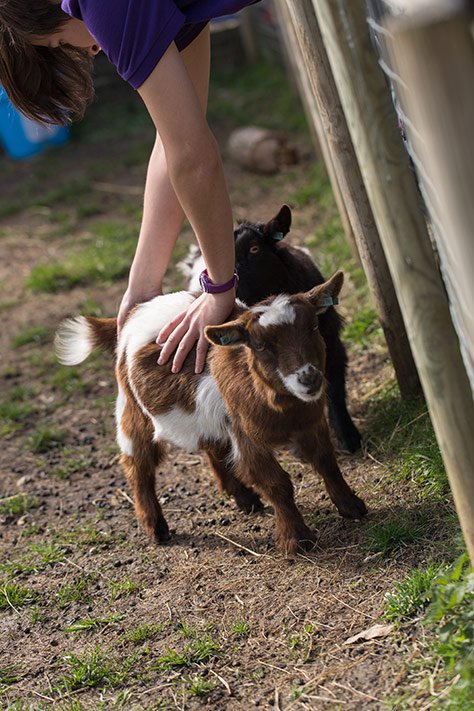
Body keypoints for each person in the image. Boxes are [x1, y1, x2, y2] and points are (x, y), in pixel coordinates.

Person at [0, 0, 260, 373]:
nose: (89, 52)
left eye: (59, 43)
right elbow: (175, 144)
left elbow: (194, 158)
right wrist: (140, 288)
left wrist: (219, 289)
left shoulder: (104, 7)